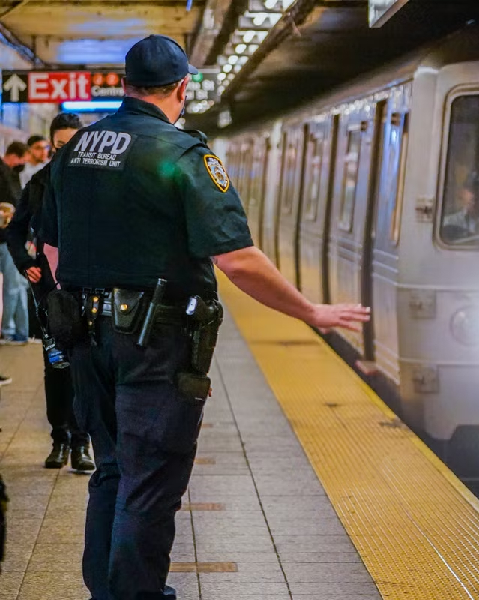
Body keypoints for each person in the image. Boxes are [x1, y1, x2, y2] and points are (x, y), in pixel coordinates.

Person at [40, 34, 370, 600]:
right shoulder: (182, 155)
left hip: (85, 336)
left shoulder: (76, 150)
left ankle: (108, 591)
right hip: (154, 343)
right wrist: (309, 311)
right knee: (148, 484)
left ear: (125, 84)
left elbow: (51, 251)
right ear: (183, 88)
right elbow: (237, 260)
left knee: (112, 472)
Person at [6, 113, 95, 472]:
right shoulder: (39, 183)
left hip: (88, 288)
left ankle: (82, 442)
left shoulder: (97, 183)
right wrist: (25, 261)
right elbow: (15, 231)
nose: (65, 153)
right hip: (50, 292)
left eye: (72, 146)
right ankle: (60, 439)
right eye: (59, 147)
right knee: (56, 365)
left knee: (85, 367)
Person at [0, 141, 30, 345]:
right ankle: (9, 330)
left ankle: (21, 331)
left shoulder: (12, 174)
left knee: (19, 286)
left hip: (14, 238)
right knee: (13, 286)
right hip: (5, 238)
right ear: (15, 156)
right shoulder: (3, 174)